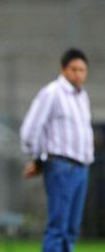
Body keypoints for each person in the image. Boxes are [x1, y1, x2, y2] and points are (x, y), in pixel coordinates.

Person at [20, 48, 94, 252]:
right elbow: (30, 129)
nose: (78, 74)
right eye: (74, 69)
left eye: (82, 70)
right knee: (58, 227)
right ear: (63, 69)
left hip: (81, 168)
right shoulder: (52, 93)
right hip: (62, 166)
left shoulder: (82, 96)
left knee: (71, 228)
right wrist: (38, 159)